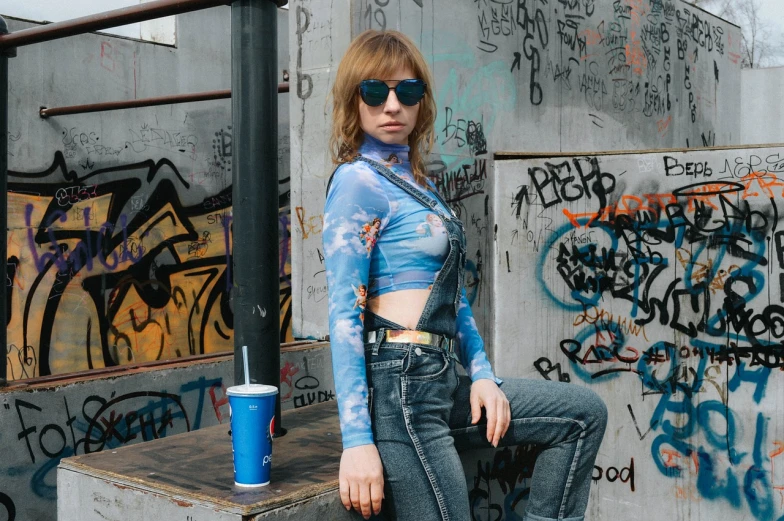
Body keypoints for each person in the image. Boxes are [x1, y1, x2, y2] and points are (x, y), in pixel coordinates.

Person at [322, 29, 608, 521]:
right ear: (355, 99)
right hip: (400, 389)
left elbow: (455, 302)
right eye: (376, 91)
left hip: (441, 381)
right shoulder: (356, 183)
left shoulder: (422, 188)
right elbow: (344, 313)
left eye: (406, 91)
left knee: (582, 415)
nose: (392, 105)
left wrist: (483, 377)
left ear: (421, 102)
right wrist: (357, 442)